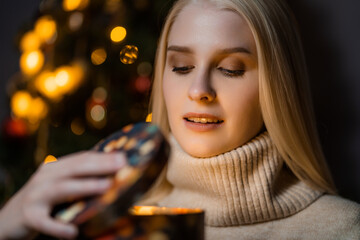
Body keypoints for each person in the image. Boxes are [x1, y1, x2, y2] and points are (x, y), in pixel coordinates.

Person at [0, 0, 359, 239]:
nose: (199, 89)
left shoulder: (341, 228)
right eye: (182, 67)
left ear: (277, 88)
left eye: (231, 69)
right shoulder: (107, 222)